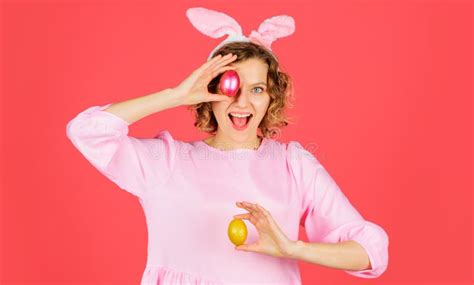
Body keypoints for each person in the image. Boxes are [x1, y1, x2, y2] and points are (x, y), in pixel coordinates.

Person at [66, 7, 389, 285]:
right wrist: (176, 95)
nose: (242, 102)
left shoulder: (294, 164)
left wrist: (292, 248)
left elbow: (369, 253)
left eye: (258, 89)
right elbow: (87, 131)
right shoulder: (167, 162)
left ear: (271, 97)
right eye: (231, 86)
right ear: (209, 91)